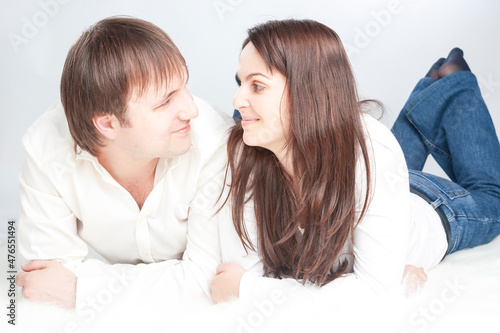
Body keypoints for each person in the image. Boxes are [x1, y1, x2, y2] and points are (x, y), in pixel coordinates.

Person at [209, 19, 500, 302]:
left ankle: (455, 84)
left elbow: (244, 283)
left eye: (257, 86)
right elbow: (235, 274)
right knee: (377, 164)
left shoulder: (373, 151)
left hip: (428, 203)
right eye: (240, 83)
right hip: (381, 186)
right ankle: (434, 89)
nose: (236, 101)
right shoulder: (245, 148)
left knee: (492, 197)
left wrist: (248, 289)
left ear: (307, 92)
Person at [16, 16, 230, 309]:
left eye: (184, 86)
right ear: (108, 125)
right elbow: (45, 282)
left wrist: (82, 290)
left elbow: (211, 283)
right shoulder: (46, 147)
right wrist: (176, 282)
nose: (191, 109)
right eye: (165, 102)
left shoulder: (214, 140)